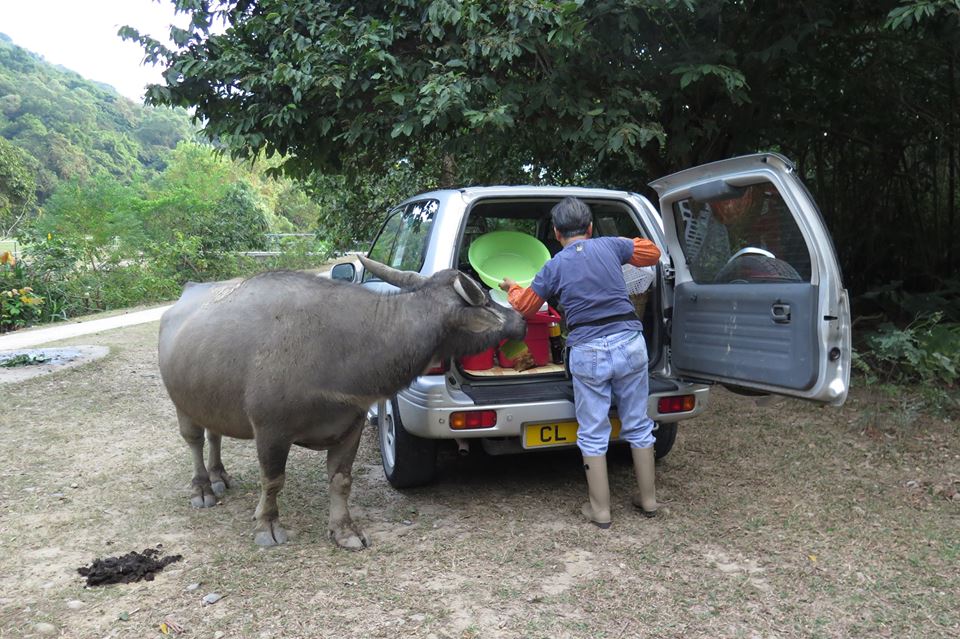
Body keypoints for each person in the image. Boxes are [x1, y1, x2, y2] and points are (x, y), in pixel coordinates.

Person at [499, 197, 662, 528]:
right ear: (589, 228)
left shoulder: (554, 266)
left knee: (592, 430)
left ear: (556, 233)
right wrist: (625, 244)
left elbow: (525, 308)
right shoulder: (611, 246)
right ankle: (648, 500)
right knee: (638, 424)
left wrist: (513, 287)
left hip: (588, 351)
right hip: (631, 343)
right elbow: (653, 254)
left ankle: (600, 510)